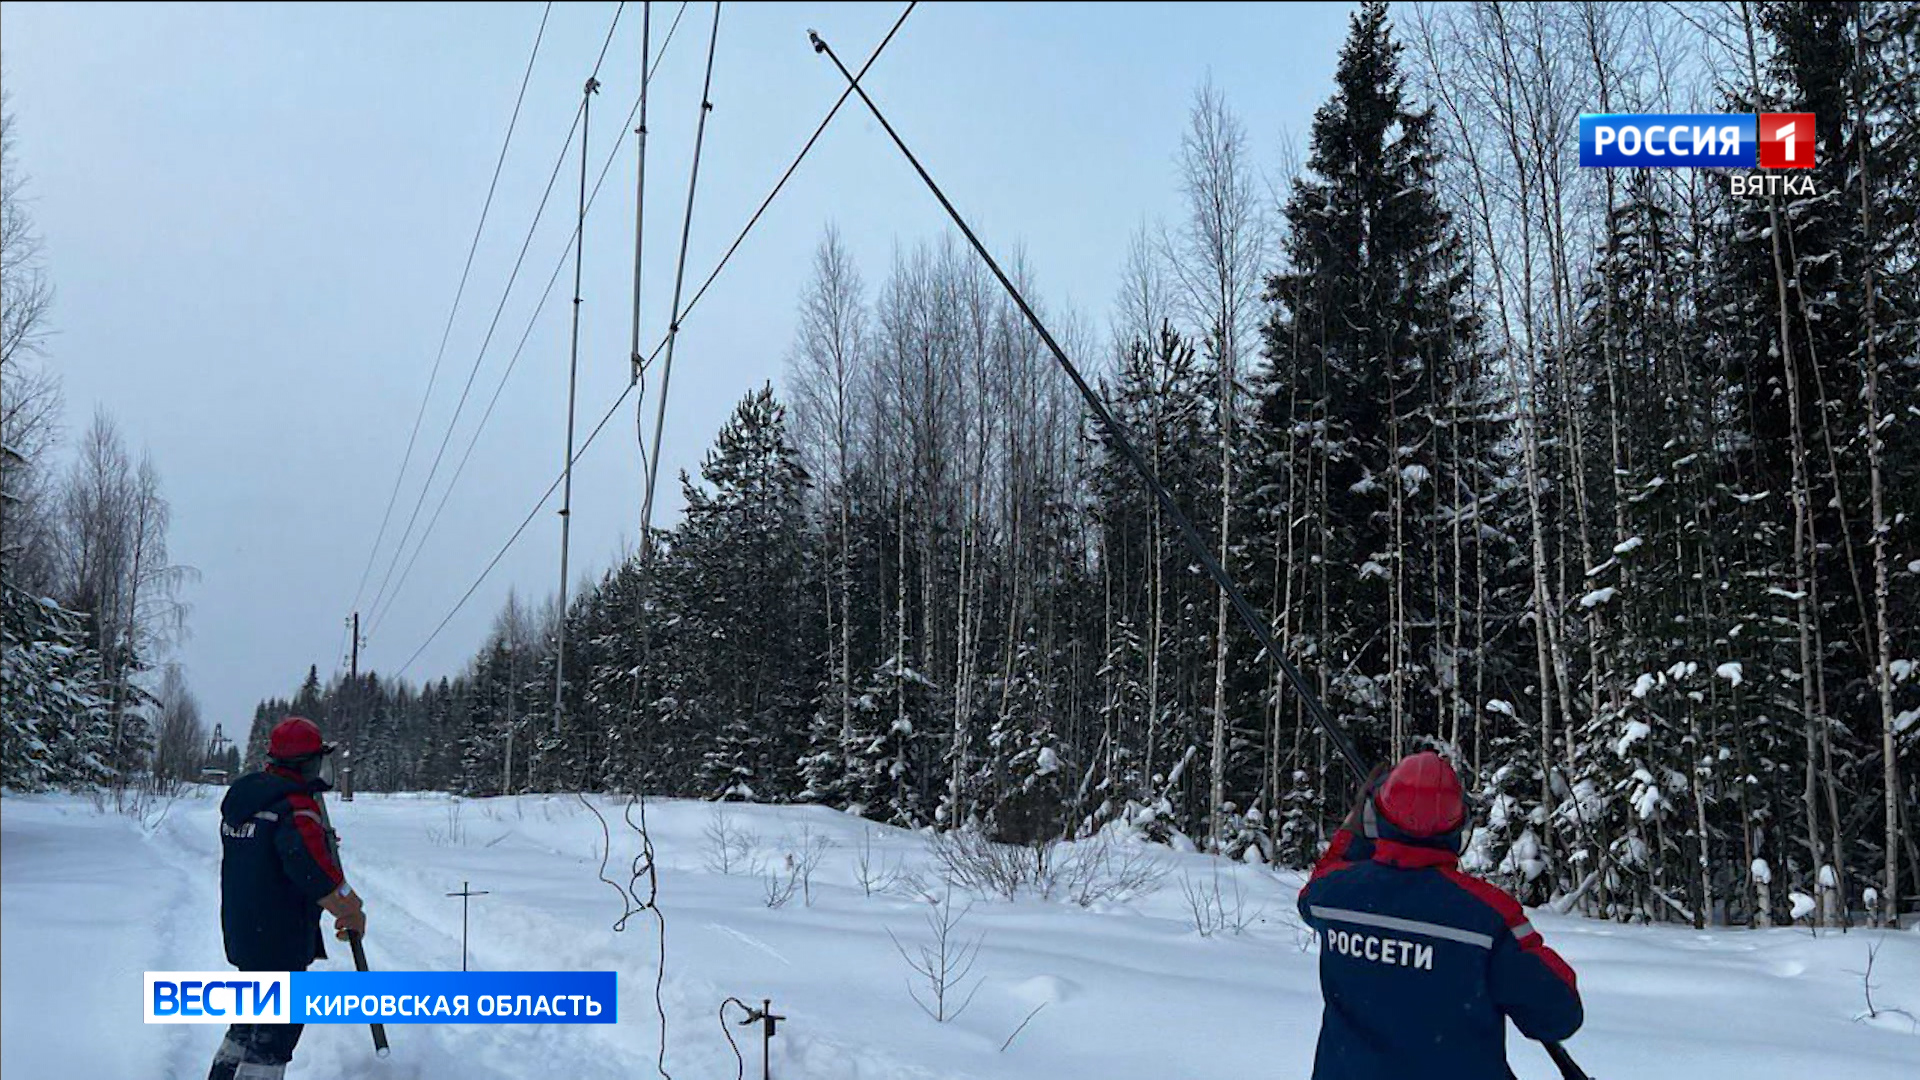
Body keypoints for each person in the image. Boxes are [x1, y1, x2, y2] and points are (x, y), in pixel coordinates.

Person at [1298, 751, 1582, 1080]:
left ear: (1377, 820)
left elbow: (1318, 885)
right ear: (1459, 828)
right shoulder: (1488, 916)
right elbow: (1558, 1014)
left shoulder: (1333, 896)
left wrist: (1356, 825)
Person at [208, 716, 368, 1080]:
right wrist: (351, 906)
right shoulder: (294, 807)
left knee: (245, 1027)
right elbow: (313, 872)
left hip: (246, 935)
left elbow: (271, 857)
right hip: (278, 940)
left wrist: (315, 839)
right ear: (306, 764)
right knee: (271, 1041)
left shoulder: (247, 800)